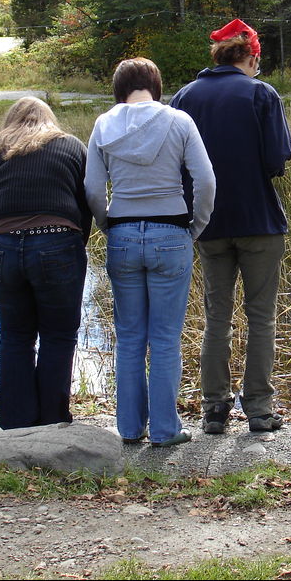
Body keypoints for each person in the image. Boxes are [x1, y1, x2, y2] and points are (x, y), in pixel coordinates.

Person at [169, 19, 291, 434]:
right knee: (262, 318)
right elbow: (278, 159)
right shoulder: (261, 94)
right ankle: (259, 409)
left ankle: (214, 410)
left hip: (208, 223)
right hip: (259, 220)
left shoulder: (185, 96)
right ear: (251, 57)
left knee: (216, 319)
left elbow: (175, 164)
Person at [85, 58, 216, 447]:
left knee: (128, 338)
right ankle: (164, 430)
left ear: (119, 88)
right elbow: (206, 181)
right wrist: (196, 225)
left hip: (122, 232)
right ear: (156, 86)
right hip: (171, 232)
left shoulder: (103, 125)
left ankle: (129, 428)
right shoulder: (179, 121)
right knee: (164, 338)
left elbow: (93, 188)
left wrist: (107, 222)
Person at [0, 97, 93, 430]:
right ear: (50, 119)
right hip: (57, 241)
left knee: (15, 335)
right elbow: (85, 204)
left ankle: (16, 424)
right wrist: (74, 246)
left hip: (1, 246)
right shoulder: (71, 146)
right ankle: (53, 421)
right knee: (58, 335)